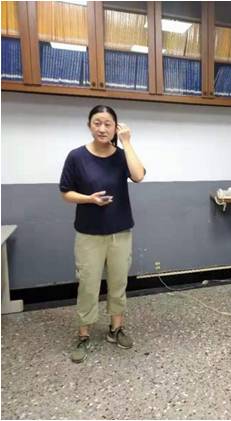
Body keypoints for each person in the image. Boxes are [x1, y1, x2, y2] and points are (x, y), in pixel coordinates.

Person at [59, 105, 145, 363]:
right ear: (89, 126)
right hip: (89, 234)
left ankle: (115, 329)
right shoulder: (76, 156)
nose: (102, 128)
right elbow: (65, 192)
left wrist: (127, 142)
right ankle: (84, 335)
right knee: (88, 285)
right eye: (97, 123)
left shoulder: (121, 155)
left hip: (120, 232)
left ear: (116, 128)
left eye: (108, 124)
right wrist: (89, 199)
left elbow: (138, 176)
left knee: (118, 283)